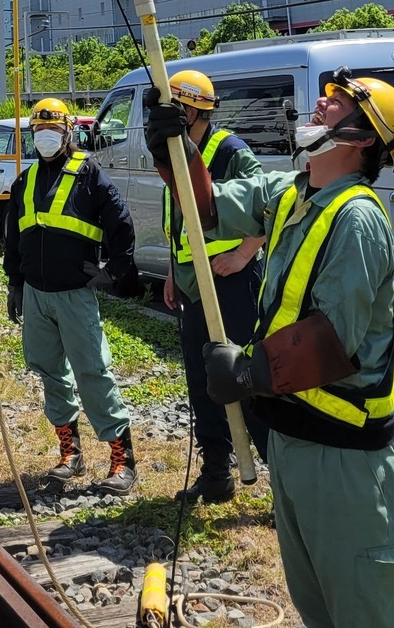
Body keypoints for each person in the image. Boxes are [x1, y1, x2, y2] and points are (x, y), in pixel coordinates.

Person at [145, 68, 394, 628]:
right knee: (317, 606)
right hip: (295, 442)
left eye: (339, 103)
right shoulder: (294, 193)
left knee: (364, 611)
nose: (321, 103)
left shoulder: (357, 217)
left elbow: (333, 339)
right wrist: (173, 148)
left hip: (343, 456)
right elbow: (207, 209)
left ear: (363, 139)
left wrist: (247, 374)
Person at [4, 98, 143, 496]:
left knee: (93, 373)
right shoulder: (24, 182)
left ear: (68, 133)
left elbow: (121, 224)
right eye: (38, 130)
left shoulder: (89, 174)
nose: (45, 137)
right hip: (36, 294)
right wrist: (15, 283)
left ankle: (122, 460)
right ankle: (71, 453)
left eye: (53, 130)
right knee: (50, 373)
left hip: (74, 295)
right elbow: (14, 238)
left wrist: (113, 272)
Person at [159, 70, 268, 504]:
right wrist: (173, 271)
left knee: (245, 376)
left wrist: (243, 254)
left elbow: (266, 202)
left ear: (189, 111)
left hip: (233, 284)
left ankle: (284, 480)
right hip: (192, 285)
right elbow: (179, 223)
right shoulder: (173, 153)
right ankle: (215, 473)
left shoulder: (229, 151)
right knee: (205, 380)